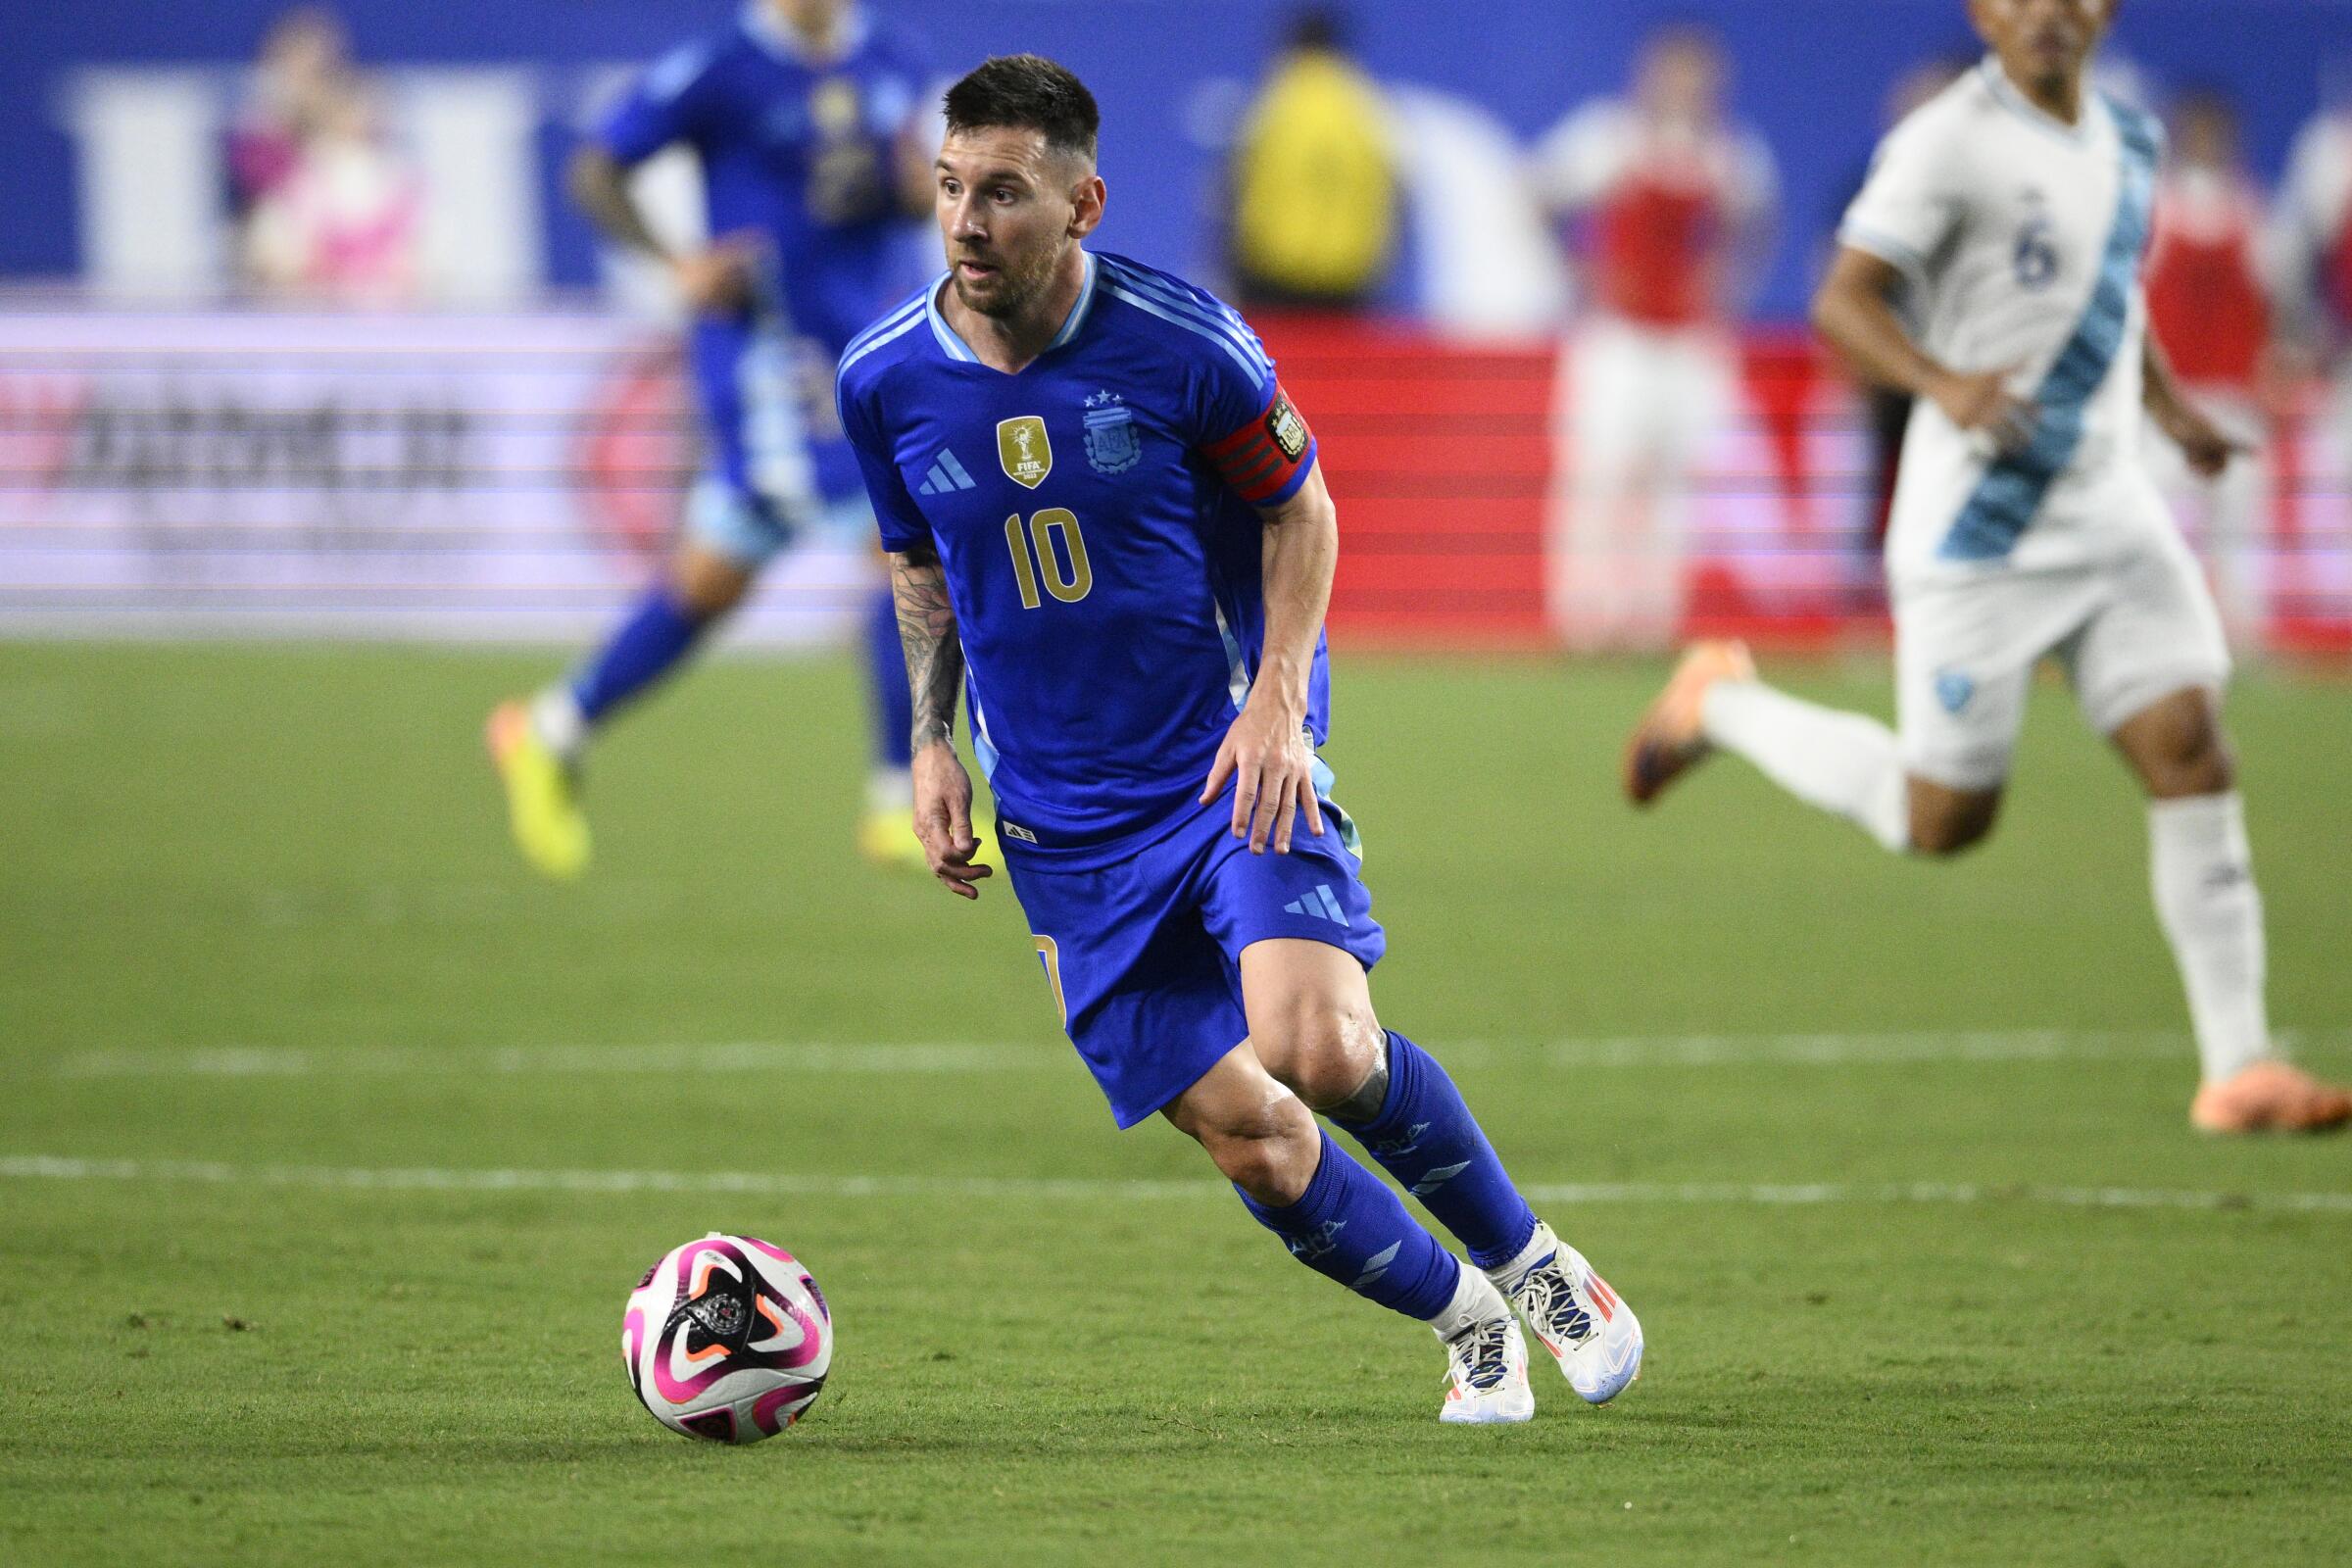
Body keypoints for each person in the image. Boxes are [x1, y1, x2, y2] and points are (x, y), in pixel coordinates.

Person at [838, 55, 1642, 1420]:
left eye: (1006, 192)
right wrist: (927, 739)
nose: (969, 221)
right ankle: (1466, 1322)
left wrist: (1277, 699)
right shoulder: (883, 380)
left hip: (1224, 763)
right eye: (952, 187)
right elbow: (919, 563)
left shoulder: (1184, 342)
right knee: (1252, 1140)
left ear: (1083, 203)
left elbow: (1301, 508)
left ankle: (1540, 1268)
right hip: (1059, 823)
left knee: (1316, 1048)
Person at [1622, 0, 2350, 1135]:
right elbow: (1842, 301)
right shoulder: (1946, 142)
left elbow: (2110, 298)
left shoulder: (2127, 137)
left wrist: (2170, 409)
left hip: (2108, 506)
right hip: (1982, 524)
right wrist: (1943, 383)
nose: (2047, 12)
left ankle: (2240, 1063)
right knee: (1944, 818)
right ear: (1983, 14)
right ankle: (1722, 703)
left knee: (2192, 748)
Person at [488, 0, 942, 878]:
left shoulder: (894, 57)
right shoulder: (721, 70)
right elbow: (595, 169)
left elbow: (896, 188)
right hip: (770, 360)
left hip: (864, 349)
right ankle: (899, 801)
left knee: (712, 578)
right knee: (903, 550)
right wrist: (678, 265)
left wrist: (916, 189)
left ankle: (548, 729)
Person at [1528, 23, 1779, 651]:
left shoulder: (1731, 158)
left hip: (1689, 344)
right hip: (1618, 337)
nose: (1685, 89)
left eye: (1698, 79)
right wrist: (1579, 270)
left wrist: (1728, 284)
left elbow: (1757, 228)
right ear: (1647, 77)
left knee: (1674, 482)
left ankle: (1652, 621)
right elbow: (1537, 195)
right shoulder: (1607, 140)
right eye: (1674, 75)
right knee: (1597, 474)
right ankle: (1585, 619)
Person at [2144, 88, 2276, 645]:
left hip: (2232, 398)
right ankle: (2146, 628)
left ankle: (2244, 633)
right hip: (2169, 399)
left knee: (2238, 525)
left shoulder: (2250, 212)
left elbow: (2269, 302)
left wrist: (2268, 365)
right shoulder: (2156, 208)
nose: (2204, 143)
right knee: (2148, 517)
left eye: (2213, 133)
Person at [1225, 8, 1397, 313]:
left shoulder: (1277, 103)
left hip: (1275, 274)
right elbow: (1385, 195)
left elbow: (1242, 188)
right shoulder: (1365, 111)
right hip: (1349, 279)